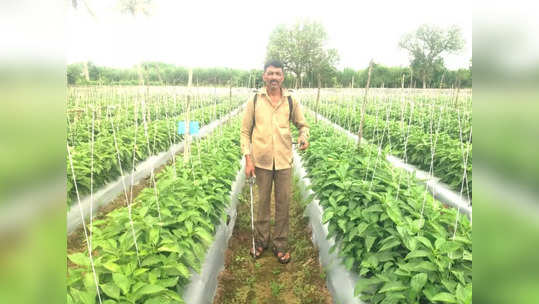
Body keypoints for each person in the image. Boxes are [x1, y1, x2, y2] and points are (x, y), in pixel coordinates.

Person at [240, 60, 309, 264]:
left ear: (283, 77)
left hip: (284, 161)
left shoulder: (291, 100)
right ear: (264, 76)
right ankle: (261, 242)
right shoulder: (254, 100)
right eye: (270, 74)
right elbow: (245, 131)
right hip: (260, 161)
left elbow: (302, 125)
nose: (274, 78)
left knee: (283, 203)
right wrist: (248, 158)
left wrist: (303, 136)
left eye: (277, 74)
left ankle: (280, 244)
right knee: (262, 203)